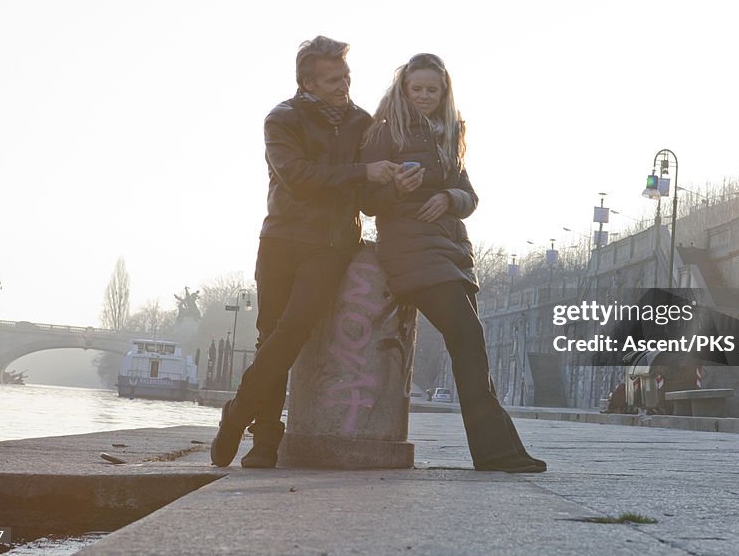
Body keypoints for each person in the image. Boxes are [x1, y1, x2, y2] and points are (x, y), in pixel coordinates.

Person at [211, 36, 400, 468]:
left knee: (293, 329)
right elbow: (296, 176)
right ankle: (265, 444)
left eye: (346, 77)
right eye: (333, 79)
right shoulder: (281, 119)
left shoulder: (363, 123)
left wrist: (388, 183)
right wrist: (362, 172)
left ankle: (238, 412)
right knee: (270, 335)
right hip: (280, 239)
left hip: (332, 244)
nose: (343, 86)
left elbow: (368, 200)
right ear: (307, 82)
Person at [359, 53, 546, 473]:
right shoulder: (385, 132)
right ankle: (496, 452)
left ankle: (500, 450)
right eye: (416, 88)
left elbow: (469, 195)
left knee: (471, 345)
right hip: (411, 249)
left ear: (444, 92)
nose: (424, 96)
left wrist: (447, 198)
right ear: (402, 89)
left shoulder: (450, 135)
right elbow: (367, 201)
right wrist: (396, 190)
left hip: (451, 251)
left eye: (432, 89)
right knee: (467, 337)